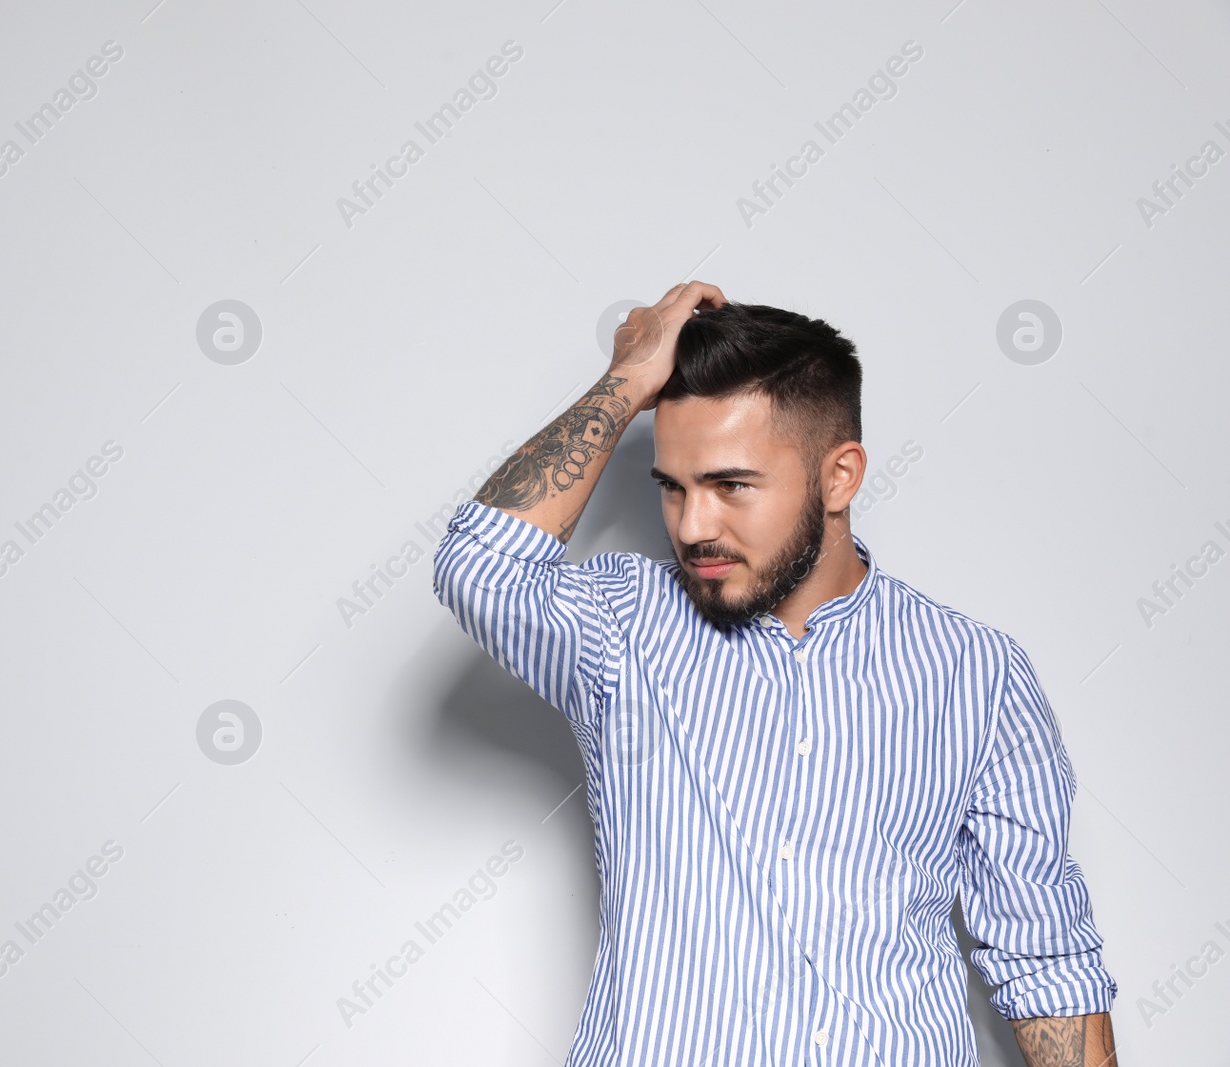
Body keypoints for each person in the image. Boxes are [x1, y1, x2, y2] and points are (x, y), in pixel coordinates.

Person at [431, 281, 1118, 1067]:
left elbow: (1046, 957)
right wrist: (628, 381)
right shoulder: (620, 629)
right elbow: (480, 564)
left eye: (731, 486)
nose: (694, 526)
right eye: (673, 488)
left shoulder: (977, 674)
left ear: (840, 477)